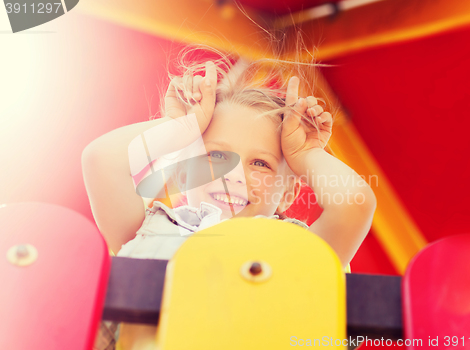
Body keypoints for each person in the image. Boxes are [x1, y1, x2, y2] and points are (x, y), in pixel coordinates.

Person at [82, 50, 376, 350]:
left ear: (289, 192)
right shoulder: (149, 227)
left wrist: (306, 155)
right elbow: (100, 161)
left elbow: (353, 202)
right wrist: (178, 126)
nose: (234, 175)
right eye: (217, 156)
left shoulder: (299, 250)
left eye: (260, 163)